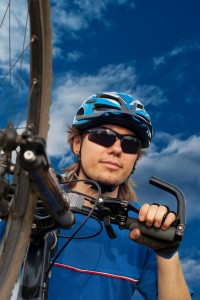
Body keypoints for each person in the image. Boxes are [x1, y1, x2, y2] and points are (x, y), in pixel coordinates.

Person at [48, 92, 191, 299]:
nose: (116, 149)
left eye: (130, 144)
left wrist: (167, 253)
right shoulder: (36, 207)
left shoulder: (141, 233)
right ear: (77, 144)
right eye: (103, 135)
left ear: (135, 160)